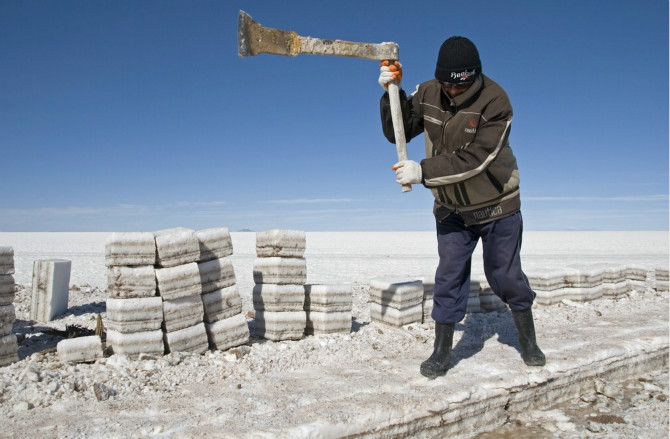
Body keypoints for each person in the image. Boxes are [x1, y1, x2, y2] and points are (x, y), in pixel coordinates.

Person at [378, 36, 546, 379]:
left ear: (475, 76)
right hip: (452, 207)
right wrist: (390, 93)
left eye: (463, 85)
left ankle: (528, 340)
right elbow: (399, 128)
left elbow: (477, 160)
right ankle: (441, 352)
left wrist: (423, 172)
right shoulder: (427, 92)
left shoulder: (496, 102)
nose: (454, 92)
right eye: (448, 85)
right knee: (449, 276)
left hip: (497, 204)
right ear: (440, 79)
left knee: (506, 276)